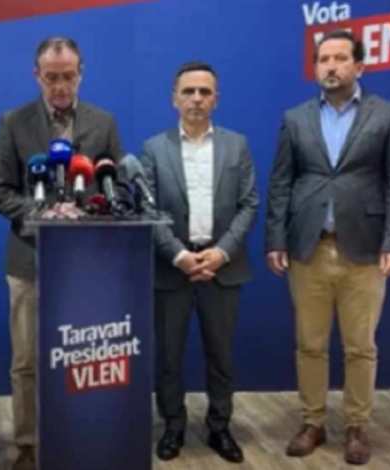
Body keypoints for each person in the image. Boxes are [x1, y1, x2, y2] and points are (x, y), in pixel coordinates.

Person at [265, 30, 390, 465]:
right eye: (323, 59)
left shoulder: (387, 114)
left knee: (360, 347)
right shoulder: (296, 118)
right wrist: (276, 238)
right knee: (309, 344)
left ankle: (356, 426)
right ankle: (312, 422)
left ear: (359, 66)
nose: (330, 66)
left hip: (364, 250)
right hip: (307, 248)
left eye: (340, 58)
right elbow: (281, 183)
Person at [0, 36, 122, 470]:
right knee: (27, 360)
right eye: (51, 77)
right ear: (37, 76)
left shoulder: (104, 122)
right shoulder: (13, 122)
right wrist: (41, 213)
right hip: (28, 258)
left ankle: (81, 435)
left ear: (81, 74)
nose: (60, 86)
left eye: (68, 76)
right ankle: (28, 443)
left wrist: (87, 209)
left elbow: (116, 184)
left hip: (87, 264)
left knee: (82, 356)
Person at [141, 61, 258, 464]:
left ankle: (220, 426)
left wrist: (221, 252)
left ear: (216, 99)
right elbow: (148, 209)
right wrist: (179, 255)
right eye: (188, 92)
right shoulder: (154, 149)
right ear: (174, 99)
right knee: (168, 357)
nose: (196, 99)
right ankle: (173, 426)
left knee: (221, 355)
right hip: (172, 267)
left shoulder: (236, 145)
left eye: (204, 92)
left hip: (222, 267)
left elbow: (248, 204)